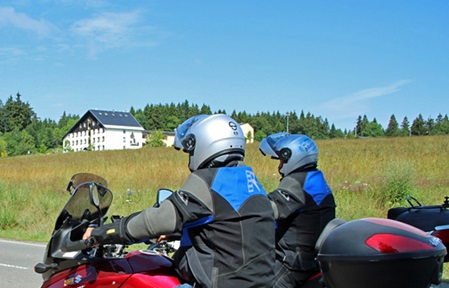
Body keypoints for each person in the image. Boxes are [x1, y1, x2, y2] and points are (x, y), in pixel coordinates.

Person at [83, 114, 276, 288]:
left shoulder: (209, 180)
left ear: (206, 144)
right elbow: (227, 228)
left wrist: (101, 233)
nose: (190, 157)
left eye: (190, 151)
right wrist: (175, 234)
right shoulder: (247, 180)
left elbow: (156, 220)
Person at [259, 132, 336, 288]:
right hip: (313, 259)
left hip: (294, 264)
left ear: (292, 157)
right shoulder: (314, 178)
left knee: (255, 282)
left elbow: (266, 209)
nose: (279, 167)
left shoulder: (296, 183)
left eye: (281, 161)